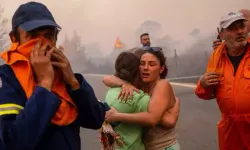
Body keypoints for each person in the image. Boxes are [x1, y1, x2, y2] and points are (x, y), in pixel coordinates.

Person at [0, 2, 107, 150]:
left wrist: (74, 83)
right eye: (32, 37)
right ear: (14, 39)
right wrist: (44, 84)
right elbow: (13, 144)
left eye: (48, 36)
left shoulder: (63, 74)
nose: (42, 43)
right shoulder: (7, 78)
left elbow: (95, 120)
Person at [104, 47, 180, 150]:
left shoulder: (162, 85)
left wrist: (117, 116)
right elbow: (106, 79)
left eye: (152, 64)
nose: (145, 68)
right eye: (142, 63)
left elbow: (152, 119)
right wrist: (124, 83)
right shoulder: (140, 85)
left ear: (161, 69)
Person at [195, 12, 250, 150]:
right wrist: (203, 85)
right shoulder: (216, 57)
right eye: (232, 28)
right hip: (230, 131)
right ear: (221, 34)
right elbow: (207, 93)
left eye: (242, 26)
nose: (239, 32)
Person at [104, 51, 151, 150]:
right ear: (137, 71)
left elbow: (106, 78)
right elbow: (154, 117)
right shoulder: (139, 98)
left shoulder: (111, 91)